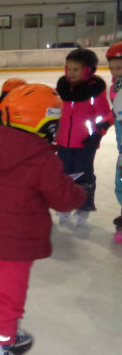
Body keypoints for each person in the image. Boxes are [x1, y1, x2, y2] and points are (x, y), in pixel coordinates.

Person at [0, 84, 85, 355]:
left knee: (0, 291)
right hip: (16, 245)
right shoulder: (42, 159)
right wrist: (80, 193)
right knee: (7, 300)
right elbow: (62, 197)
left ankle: (7, 332)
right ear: (43, 123)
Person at [53, 48, 113, 226]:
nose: (71, 73)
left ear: (88, 71)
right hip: (63, 141)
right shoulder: (63, 86)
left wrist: (97, 134)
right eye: (69, 69)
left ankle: (83, 207)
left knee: (83, 175)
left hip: (85, 143)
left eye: (76, 70)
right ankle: (64, 205)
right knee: (63, 175)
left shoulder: (94, 89)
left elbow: (106, 115)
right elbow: (54, 109)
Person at [105, 43, 122, 243]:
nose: (115, 72)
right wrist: (105, 122)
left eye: (119, 68)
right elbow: (116, 112)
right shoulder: (115, 86)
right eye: (112, 68)